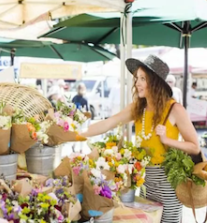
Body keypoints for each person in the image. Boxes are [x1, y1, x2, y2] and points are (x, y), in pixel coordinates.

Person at [81, 55, 200, 223]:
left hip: (169, 180)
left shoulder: (174, 109)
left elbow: (195, 147)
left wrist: (167, 140)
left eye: (143, 78)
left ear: (155, 82)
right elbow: (109, 122)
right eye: (136, 78)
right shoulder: (138, 108)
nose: (137, 83)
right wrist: (79, 135)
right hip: (146, 179)